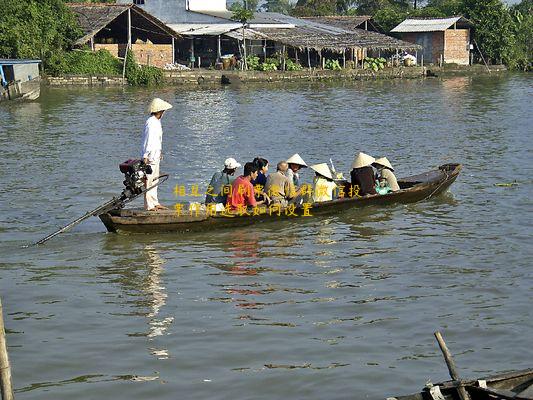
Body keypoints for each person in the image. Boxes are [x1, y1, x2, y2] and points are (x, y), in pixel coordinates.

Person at [141, 97, 173, 211]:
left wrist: (159, 152)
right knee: (149, 181)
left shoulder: (157, 122)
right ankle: (149, 206)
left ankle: (155, 202)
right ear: (160, 111)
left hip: (155, 155)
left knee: (155, 180)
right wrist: (145, 156)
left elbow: (157, 140)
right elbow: (148, 140)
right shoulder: (151, 123)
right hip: (149, 157)